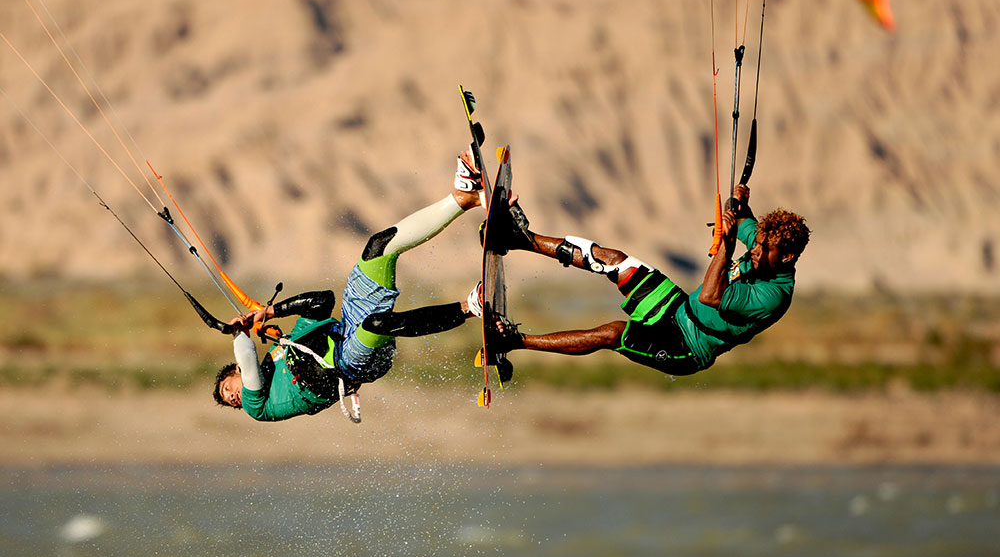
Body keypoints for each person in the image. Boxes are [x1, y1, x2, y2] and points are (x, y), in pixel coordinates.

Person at [213, 150, 486, 421]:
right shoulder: (257, 407)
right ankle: (471, 307)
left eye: (228, 389)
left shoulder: (288, 344)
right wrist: (239, 333)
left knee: (378, 247)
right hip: (350, 364)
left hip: (347, 326)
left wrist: (271, 312)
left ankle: (464, 197)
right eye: (231, 402)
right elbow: (248, 357)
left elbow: (322, 301)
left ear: (235, 371)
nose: (234, 397)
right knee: (377, 324)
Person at [486, 184, 810, 376]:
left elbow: (710, 297)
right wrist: (739, 202)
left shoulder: (774, 295)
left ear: (786, 257)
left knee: (612, 333)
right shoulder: (763, 245)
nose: (754, 249)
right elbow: (740, 219)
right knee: (615, 260)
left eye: (763, 248)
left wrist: (725, 245)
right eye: (756, 242)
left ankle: (513, 342)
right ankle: (518, 239)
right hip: (678, 307)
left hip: (686, 346)